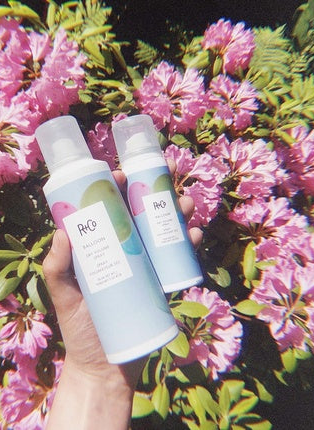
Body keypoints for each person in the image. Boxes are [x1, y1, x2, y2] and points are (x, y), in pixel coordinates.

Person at [42, 162, 203, 430]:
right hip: (104, 353)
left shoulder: (92, 173)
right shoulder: (60, 187)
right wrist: (94, 373)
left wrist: (95, 378)